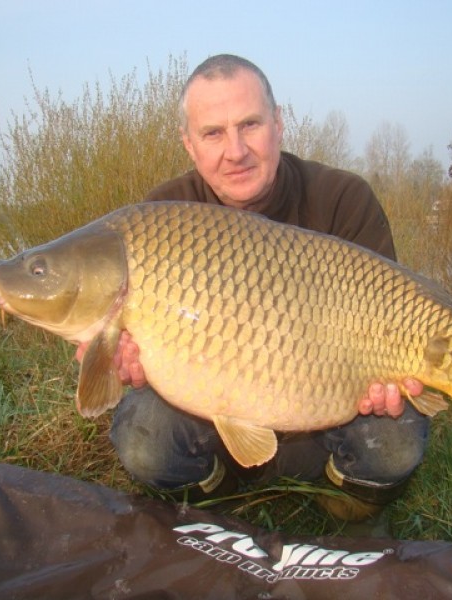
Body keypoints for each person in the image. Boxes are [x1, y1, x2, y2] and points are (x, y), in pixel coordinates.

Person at [81, 54, 429, 522]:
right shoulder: (163, 213)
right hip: (217, 432)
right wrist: (119, 360)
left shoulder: (344, 199)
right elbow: (118, 361)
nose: (236, 150)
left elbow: (396, 320)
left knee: (398, 437)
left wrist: (390, 380)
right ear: (189, 144)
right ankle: (221, 502)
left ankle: (340, 502)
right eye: (213, 133)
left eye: (250, 124)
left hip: (329, 416)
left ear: (279, 123)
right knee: (144, 436)